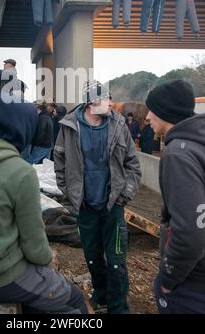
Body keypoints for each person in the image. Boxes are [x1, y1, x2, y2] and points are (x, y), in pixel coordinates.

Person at [0, 94, 88, 314]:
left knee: (35, 301)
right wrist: (49, 259)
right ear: (22, 127)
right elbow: (35, 248)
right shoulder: (20, 172)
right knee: (75, 301)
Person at [54, 81, 141, 314]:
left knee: (116, 260)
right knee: (92, 256)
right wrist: (69, 192)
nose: (112, 103)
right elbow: (59, 161)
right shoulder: (69, 127)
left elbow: (133, 164)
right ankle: (101, 293)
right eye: (107, 99)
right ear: (92, 103)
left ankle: (118, 307)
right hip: (85, 206)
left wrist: (125, 194)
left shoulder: (118, 124)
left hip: (113, 205)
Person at [145, 80, 205, 314]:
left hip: (192, 281)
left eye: (153, 110)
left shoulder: (178, 154)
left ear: (165, 113)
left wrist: (169, 278)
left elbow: (191, 230)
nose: (147, 117)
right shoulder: (198, 144)